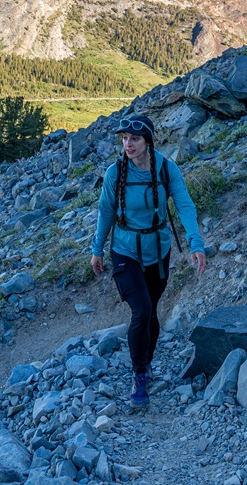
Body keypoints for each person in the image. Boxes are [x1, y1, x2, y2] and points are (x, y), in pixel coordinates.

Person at [90, 114, 206, 408]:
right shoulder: (115, 173)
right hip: (125, 250)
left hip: (158, 250)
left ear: (148, 141)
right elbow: (105, 211)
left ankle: (148, 361)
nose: (128, 144)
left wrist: (196, 244)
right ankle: (139, 373)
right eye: (124, 138)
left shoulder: (166, 169)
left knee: (152, 312)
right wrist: (97, 249)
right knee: (141, 310)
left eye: (135, 138)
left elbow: (184, 206)